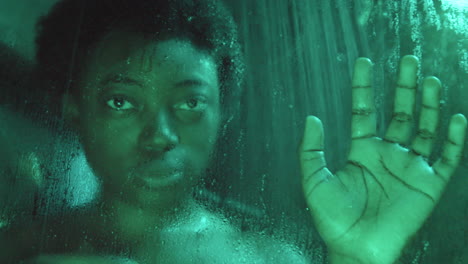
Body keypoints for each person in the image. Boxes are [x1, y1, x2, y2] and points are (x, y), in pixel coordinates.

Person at [0, 0, 466, 263]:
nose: (160, 135)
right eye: (121, 101)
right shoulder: (16, 251)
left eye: (189, 102)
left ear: (222, 111)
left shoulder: (274, 259)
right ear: (75, 110)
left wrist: (356, 258)